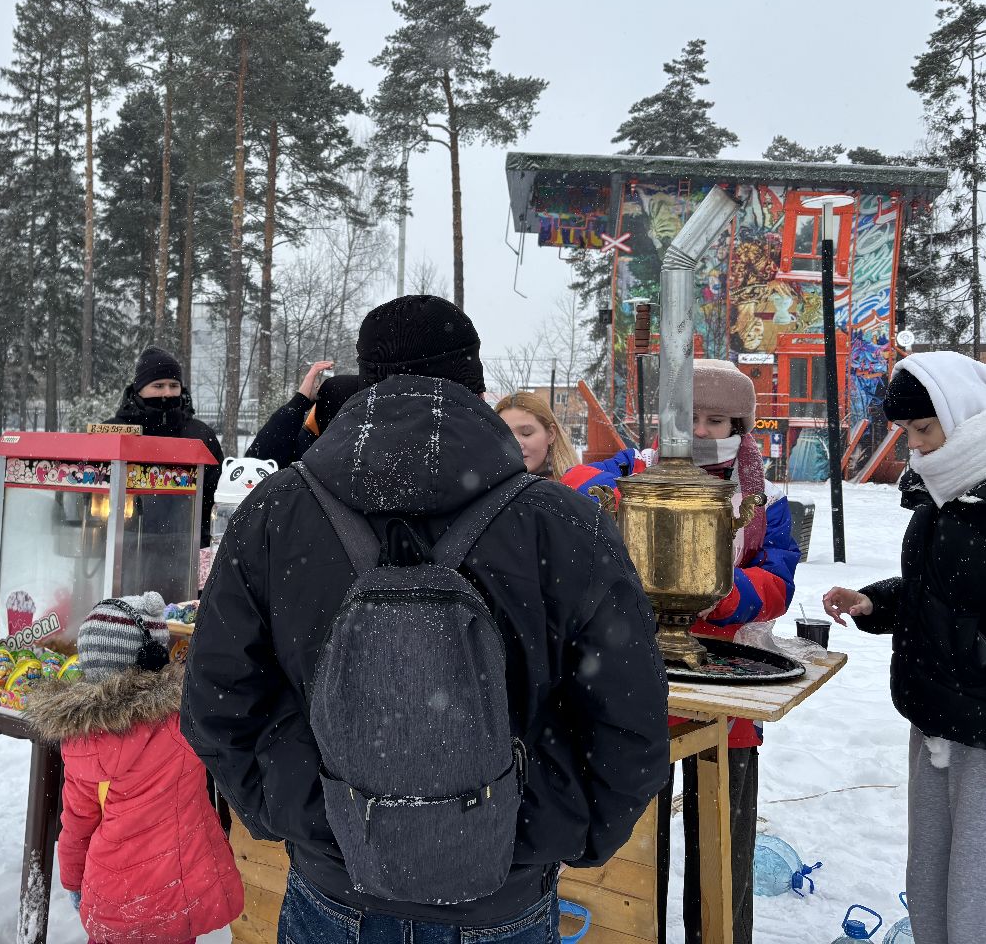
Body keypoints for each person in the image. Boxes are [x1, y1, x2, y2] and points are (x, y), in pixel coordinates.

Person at [183, 294, 668, 941]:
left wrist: (309, 816)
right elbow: (630, 722)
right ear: (475, 386)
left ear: (366, 380)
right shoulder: (560, 522)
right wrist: (546, 831)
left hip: (333, 891)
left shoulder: (277, 514)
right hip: (501, 900)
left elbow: (217, 703)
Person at [564, 358, 799, 944]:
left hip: (725, 685)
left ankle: (719, 934)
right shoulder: (633, 470)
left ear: (740, 427)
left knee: (721, 841)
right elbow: (573, 490)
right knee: (635, 849)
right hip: (637, 683)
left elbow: (778, 583)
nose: (699, 432)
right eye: (686, 418)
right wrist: (618, 496)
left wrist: (712, 589)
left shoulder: (762, 500)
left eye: (715, 420)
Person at [822, 353, 986, 944]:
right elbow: (937, 594)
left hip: (983, 733)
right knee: (930, 876)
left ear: (964, 416)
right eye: (909, 433)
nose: (916, 446)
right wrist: (874, 603)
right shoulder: (941, 496)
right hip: (934, 716)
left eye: (925, 429)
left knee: (977, 888)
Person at [24, 592, 243, 944]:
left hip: (112, 896)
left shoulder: (80, 741)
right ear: (154, 659)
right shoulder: (183, 724)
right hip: (178, 892)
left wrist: (73, 880)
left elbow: (77, 822)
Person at [108, 347, 222, 548]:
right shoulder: (114, 433)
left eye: (173, 385)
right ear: (139, 389)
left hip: (186, 551)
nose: (167, 393)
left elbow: (215, 497)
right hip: (123, 548)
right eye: (158, 386)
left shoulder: (200, 435)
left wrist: (201, 541)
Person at [246, 360, 365, 470]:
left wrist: (299, 402)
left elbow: (253, 469)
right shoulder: (369, 454)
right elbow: (253, 468)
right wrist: (298, 403)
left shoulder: (310, 455)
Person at [494, 390, 580, 480]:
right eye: (504, 435)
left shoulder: (579, 487)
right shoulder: (485, 489)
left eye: (526, 433)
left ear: (551, 434)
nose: (515, 445)